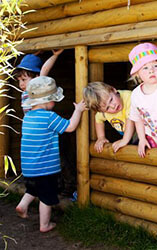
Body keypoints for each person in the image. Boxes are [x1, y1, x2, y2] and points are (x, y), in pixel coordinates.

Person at [15, 76, 86, 233]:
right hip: (45, 168)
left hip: (28, 168)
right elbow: (70, 126)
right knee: (47, 197)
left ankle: (22, 205)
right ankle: (44, 225)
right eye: (54, 100)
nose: (55, 103)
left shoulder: (27, 118)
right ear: (47, 101)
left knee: (32, 189)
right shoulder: (49, 117)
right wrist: (78, 110)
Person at [128, 42, 157, 157]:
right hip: (152, 138)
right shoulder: (136, 94)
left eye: (155, 66)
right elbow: (137, 119)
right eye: (145, 68)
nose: (151, 71)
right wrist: (142, 139)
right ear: (137, 74)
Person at [83, 81, 135, 153]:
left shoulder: (129, 97)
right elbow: (98, 120)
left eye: (111, 100)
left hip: (142, 127)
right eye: (107, 108)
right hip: (126, 131)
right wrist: (101, 137)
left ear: (113, 90)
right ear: (102, 111)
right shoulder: (103, 113)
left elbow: (131, 120)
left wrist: (125, 140)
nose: (113, 106)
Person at [15, 49, 64, 114]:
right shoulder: (25, 92)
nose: (21, 84)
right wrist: (36, 52)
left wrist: (55, 55)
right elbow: (28, 59)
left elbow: (45, 69)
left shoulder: (37, 88)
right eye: (19, 80)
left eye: (24, 80)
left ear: (36, 77)